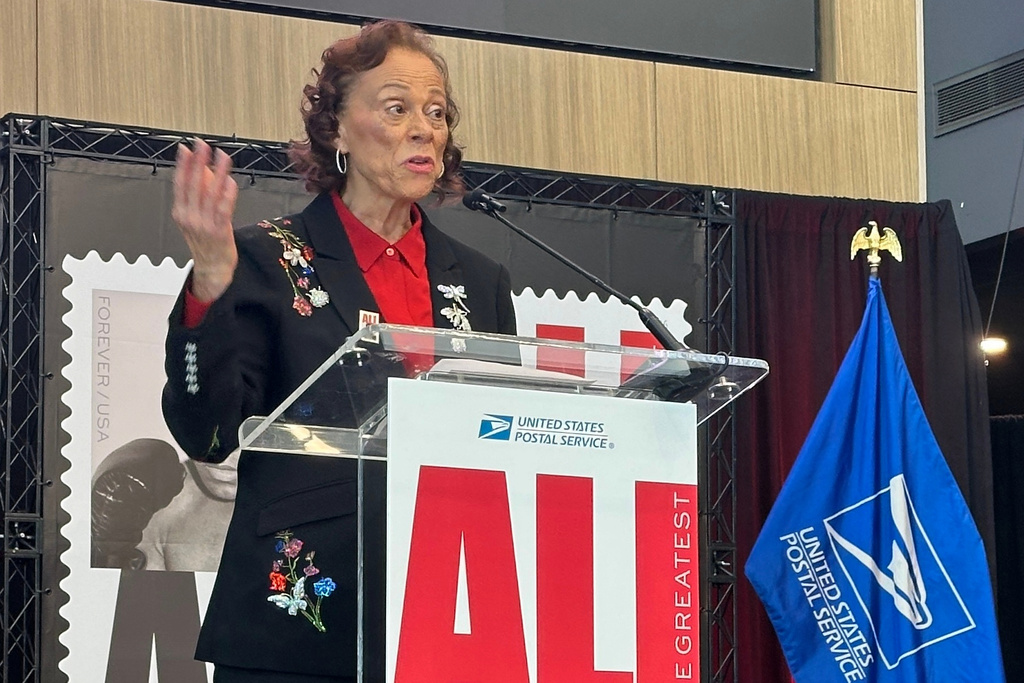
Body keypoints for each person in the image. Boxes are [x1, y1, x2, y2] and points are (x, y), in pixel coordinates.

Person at [161, 20, 516, 682]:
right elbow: (205, 433)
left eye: (436, 112)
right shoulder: (266, 258)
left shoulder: (480, 280)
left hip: (444, 616)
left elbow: (498, 453)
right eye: (396, 107)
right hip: (297, 627)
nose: (423, 128)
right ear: (336, 130)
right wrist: (211, 281)